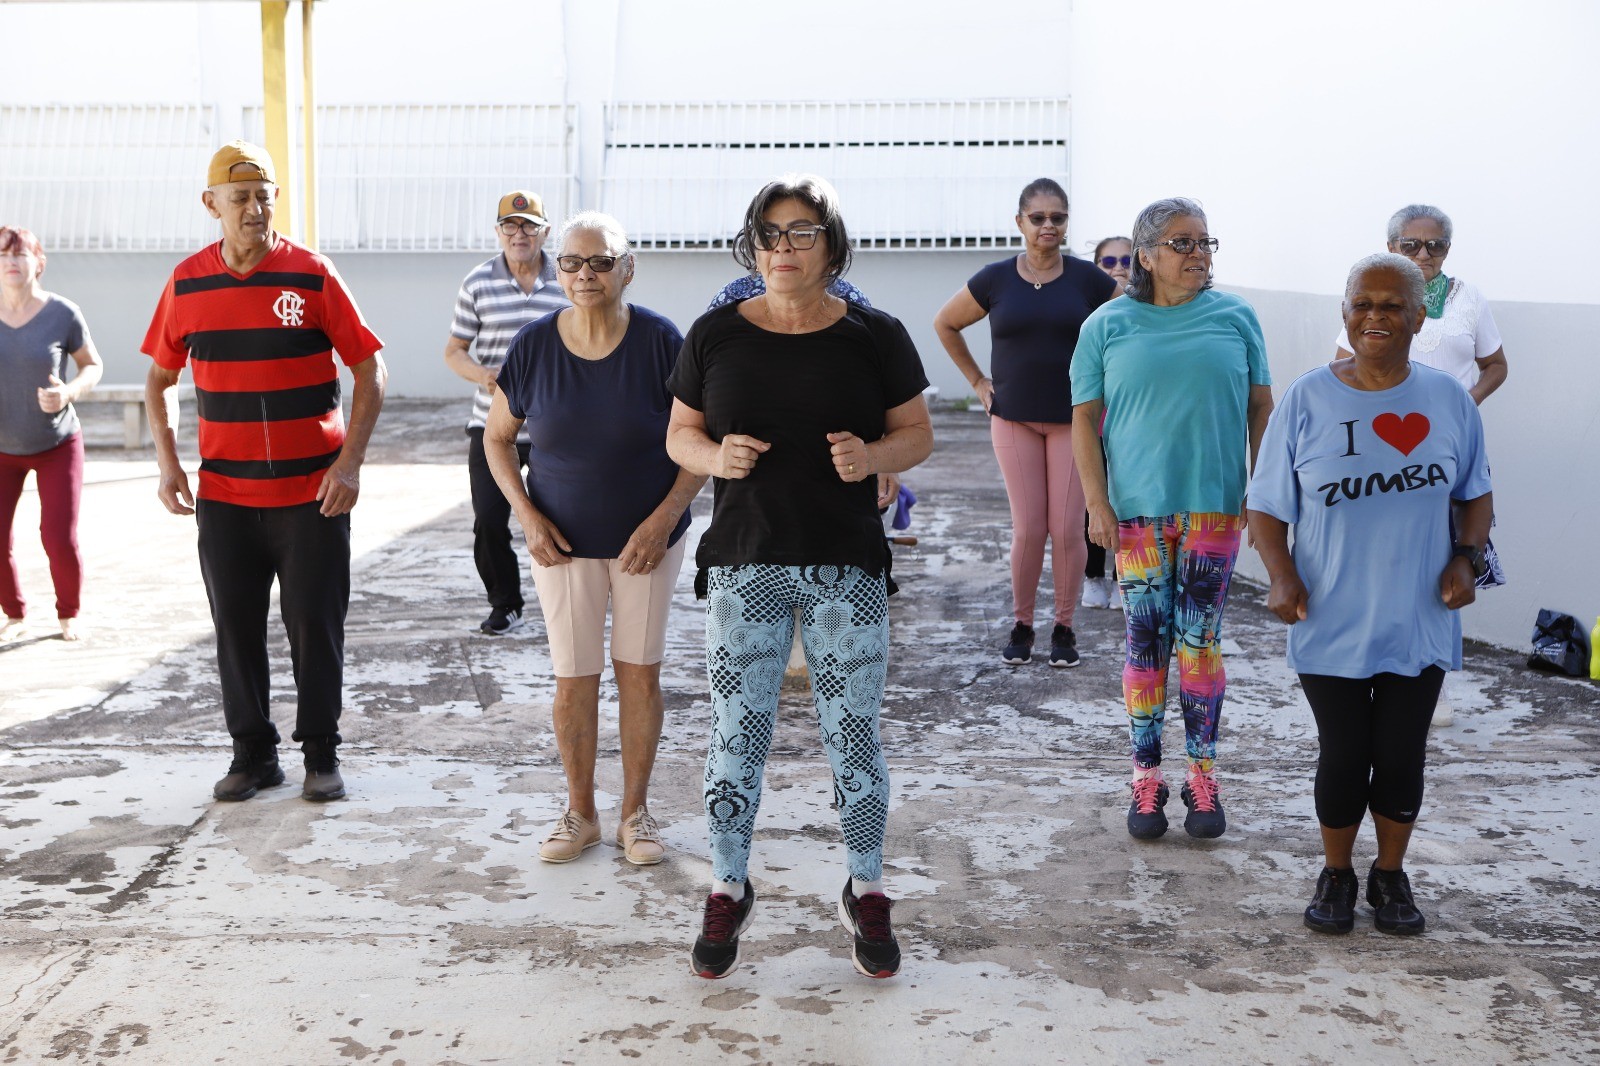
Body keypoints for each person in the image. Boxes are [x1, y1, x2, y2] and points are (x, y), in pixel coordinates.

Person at [667, 174, 933, 980]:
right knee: (735, 736)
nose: (784, 247)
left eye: (802, 232)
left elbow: (917, 434)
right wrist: (715, 456)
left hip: (846, 569)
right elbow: (679, 435)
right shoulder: (715, 334)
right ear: (754, 245)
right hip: (744, 565)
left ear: (832, 245)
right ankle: (727, 884)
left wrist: (873, 455)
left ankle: (867, 886)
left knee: (853, 737)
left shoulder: (876, 335)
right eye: (770, 233)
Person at [1249, 253, 1492, 936]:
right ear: (1345, 313)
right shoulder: (1307, 399)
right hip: (1329, 615)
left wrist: (1467, 559)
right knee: (1346, 753)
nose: (1375, 317)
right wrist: (1281, 574)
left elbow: (1476, 492)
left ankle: (1389, 874)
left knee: (1402, 754)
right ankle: (1337, 873)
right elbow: (1265, 505)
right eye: (1362, 303)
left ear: (1418, 317)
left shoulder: (1448, 400)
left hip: (1419, 616)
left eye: (1391, 306)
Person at [142, 141, 387, 803]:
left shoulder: (312, 274)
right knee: (234, 628)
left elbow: (370, 370)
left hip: (312, 497)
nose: (255, 209)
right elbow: (160, 379)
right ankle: (253, 755)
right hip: (225, 497)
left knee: (315, 627)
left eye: (264, 196)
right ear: (211, 204)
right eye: (241, 197)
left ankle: (321, 754)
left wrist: (350, 464)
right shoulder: (186, 283)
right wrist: (167, 462)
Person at [484, 211, 702, 867]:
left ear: (627, 268)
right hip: (562, 545)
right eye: (573, 262)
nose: (586, 274)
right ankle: (580, 812)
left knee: (639, 675)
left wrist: (664, 518)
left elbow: (700, 442)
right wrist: (526, 515)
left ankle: (636, 815)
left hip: (648, 544)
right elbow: (497, 440)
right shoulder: (533, 346)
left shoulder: (663, 342)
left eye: (602, 262)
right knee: (574, 680)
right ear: (558, 270)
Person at [1070, 197, 1273, 841]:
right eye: (1182, 243)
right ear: (1146, 255)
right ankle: (1147, 778)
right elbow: (1083, 419)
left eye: (1205, 242)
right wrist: (1097, 503)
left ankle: (1203, 778)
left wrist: (1262, 489)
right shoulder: (1106, 324)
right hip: (1137, 513)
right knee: (1146, 643)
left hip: (1215, 509)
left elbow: (1261, 407)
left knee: (1200, 643)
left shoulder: (1236, 316)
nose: (1198, 254)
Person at [1335, 205, 1509, 726]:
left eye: (1435, 245)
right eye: (1411, 244)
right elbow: (1343, 365)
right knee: (1388, 552)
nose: (1424, 254)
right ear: (1391, 246)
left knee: (1447, 555)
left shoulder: (1468, 299)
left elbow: (1496, 365)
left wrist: (1465, 403)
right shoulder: (1375, 293)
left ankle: (1435, 676)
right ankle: (1373, 661)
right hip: (1382, 450)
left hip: (1447, 449)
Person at [933, 178, 1117, 667]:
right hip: (1013, 420)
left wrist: (1112, 387)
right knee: (1030, 529)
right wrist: (977, 381)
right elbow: (945, 323)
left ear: (1067, 223)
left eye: (1057, 217)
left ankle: (1064, 628)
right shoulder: (995, 279)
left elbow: (1131, 324)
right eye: (1038, 218)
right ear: (1020, 222)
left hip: (1074, 422)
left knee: (1067, 529)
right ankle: (1022, 624)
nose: (1047, 225)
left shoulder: (1087, 280)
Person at [444, 190, 569, 636]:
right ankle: (506, 603)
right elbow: (455, 350)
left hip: (556, 425)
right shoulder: (478, 283)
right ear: (499, 232)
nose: (520, 234)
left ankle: (570, 599)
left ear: (545, 232)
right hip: (491, 424)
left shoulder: (567, 278)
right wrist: (483, 375)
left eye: (529, 225)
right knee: (489, 521)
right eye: (511, 225)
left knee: (567, 517)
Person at [1, 226, 102, 643]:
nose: (10, 262)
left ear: (38, 262)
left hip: (56, 444)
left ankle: (68, 613)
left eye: (20, 254)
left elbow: (92, 365)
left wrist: (68, 392)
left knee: (57, 536)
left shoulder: (63, 313)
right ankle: (14, 614)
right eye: (3, 255)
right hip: (2, 449)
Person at [1080, 235, 1133, 611]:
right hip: (1094, 424)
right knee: (1095, 501)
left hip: (1132, 428)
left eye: (1127, 261)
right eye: (1109, 261)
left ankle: (1120, 577)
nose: (1118, 269)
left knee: (1128, 501)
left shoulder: (1147, 313)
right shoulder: (1088, 317)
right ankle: (1093, 575)